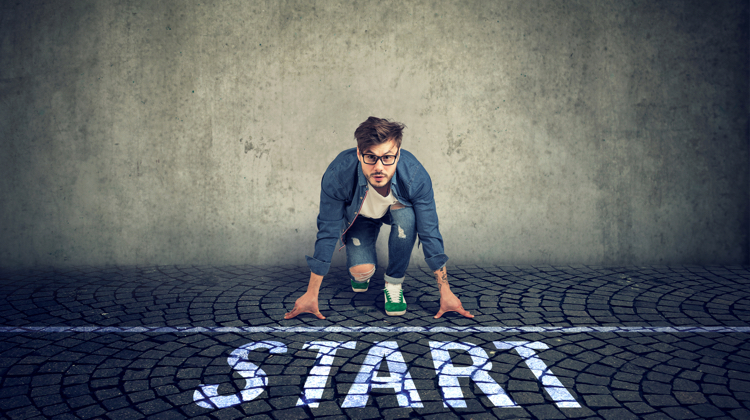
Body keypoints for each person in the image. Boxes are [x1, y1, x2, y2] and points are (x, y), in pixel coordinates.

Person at [284, 117, 473, 320]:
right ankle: (361, 263)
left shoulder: (415, 175)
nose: (379, 167)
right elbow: (328, 231)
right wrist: (312, 294)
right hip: (360, 217)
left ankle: (393, 284)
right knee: (361, 272)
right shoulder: (337, 175)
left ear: (398, 154)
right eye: (371, 157)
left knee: (408, 217)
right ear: (359, 153)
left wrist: (445, 291)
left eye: (388, 157)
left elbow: (429, 231)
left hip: (396, 211)